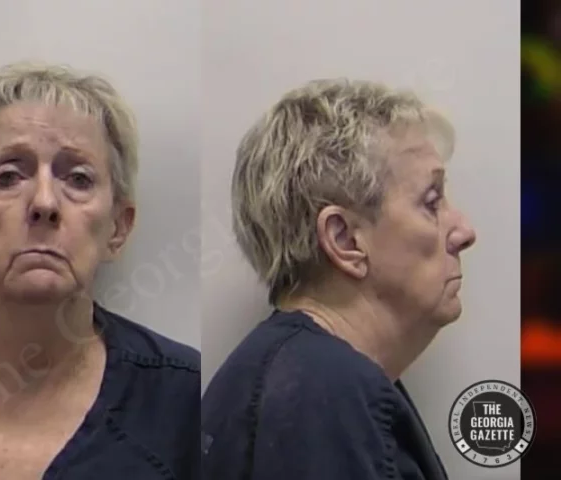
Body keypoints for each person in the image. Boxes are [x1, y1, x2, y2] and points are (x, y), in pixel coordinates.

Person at [0, 63, 200, 480]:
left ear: (118, 228)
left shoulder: (182, 400)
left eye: (79, 179)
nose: (45, 202)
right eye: (9, 176)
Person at [202, 79, 477, 479]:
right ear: (345, 240)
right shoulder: (322, 394)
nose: (465, 232)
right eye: (431, 202)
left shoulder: (310, 379)